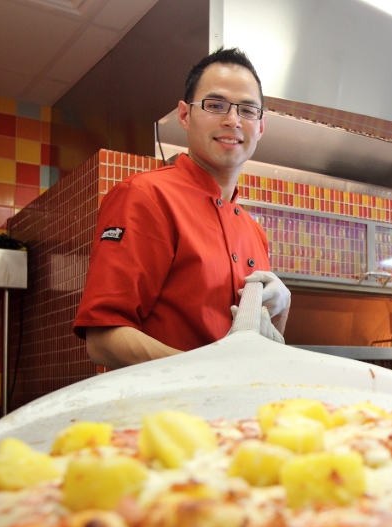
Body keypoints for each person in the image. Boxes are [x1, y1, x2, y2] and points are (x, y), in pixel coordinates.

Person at [72, 47, 291, 369]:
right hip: (163, 413)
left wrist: (281, 310)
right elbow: (104, 339)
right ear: (185, 116)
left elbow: (258, 350)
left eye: (247, 110)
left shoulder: (253, 231)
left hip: (235, 413)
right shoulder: (145, 196)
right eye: (215, 105)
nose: (233, 120)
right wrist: (208, 373)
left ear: (260, 126)